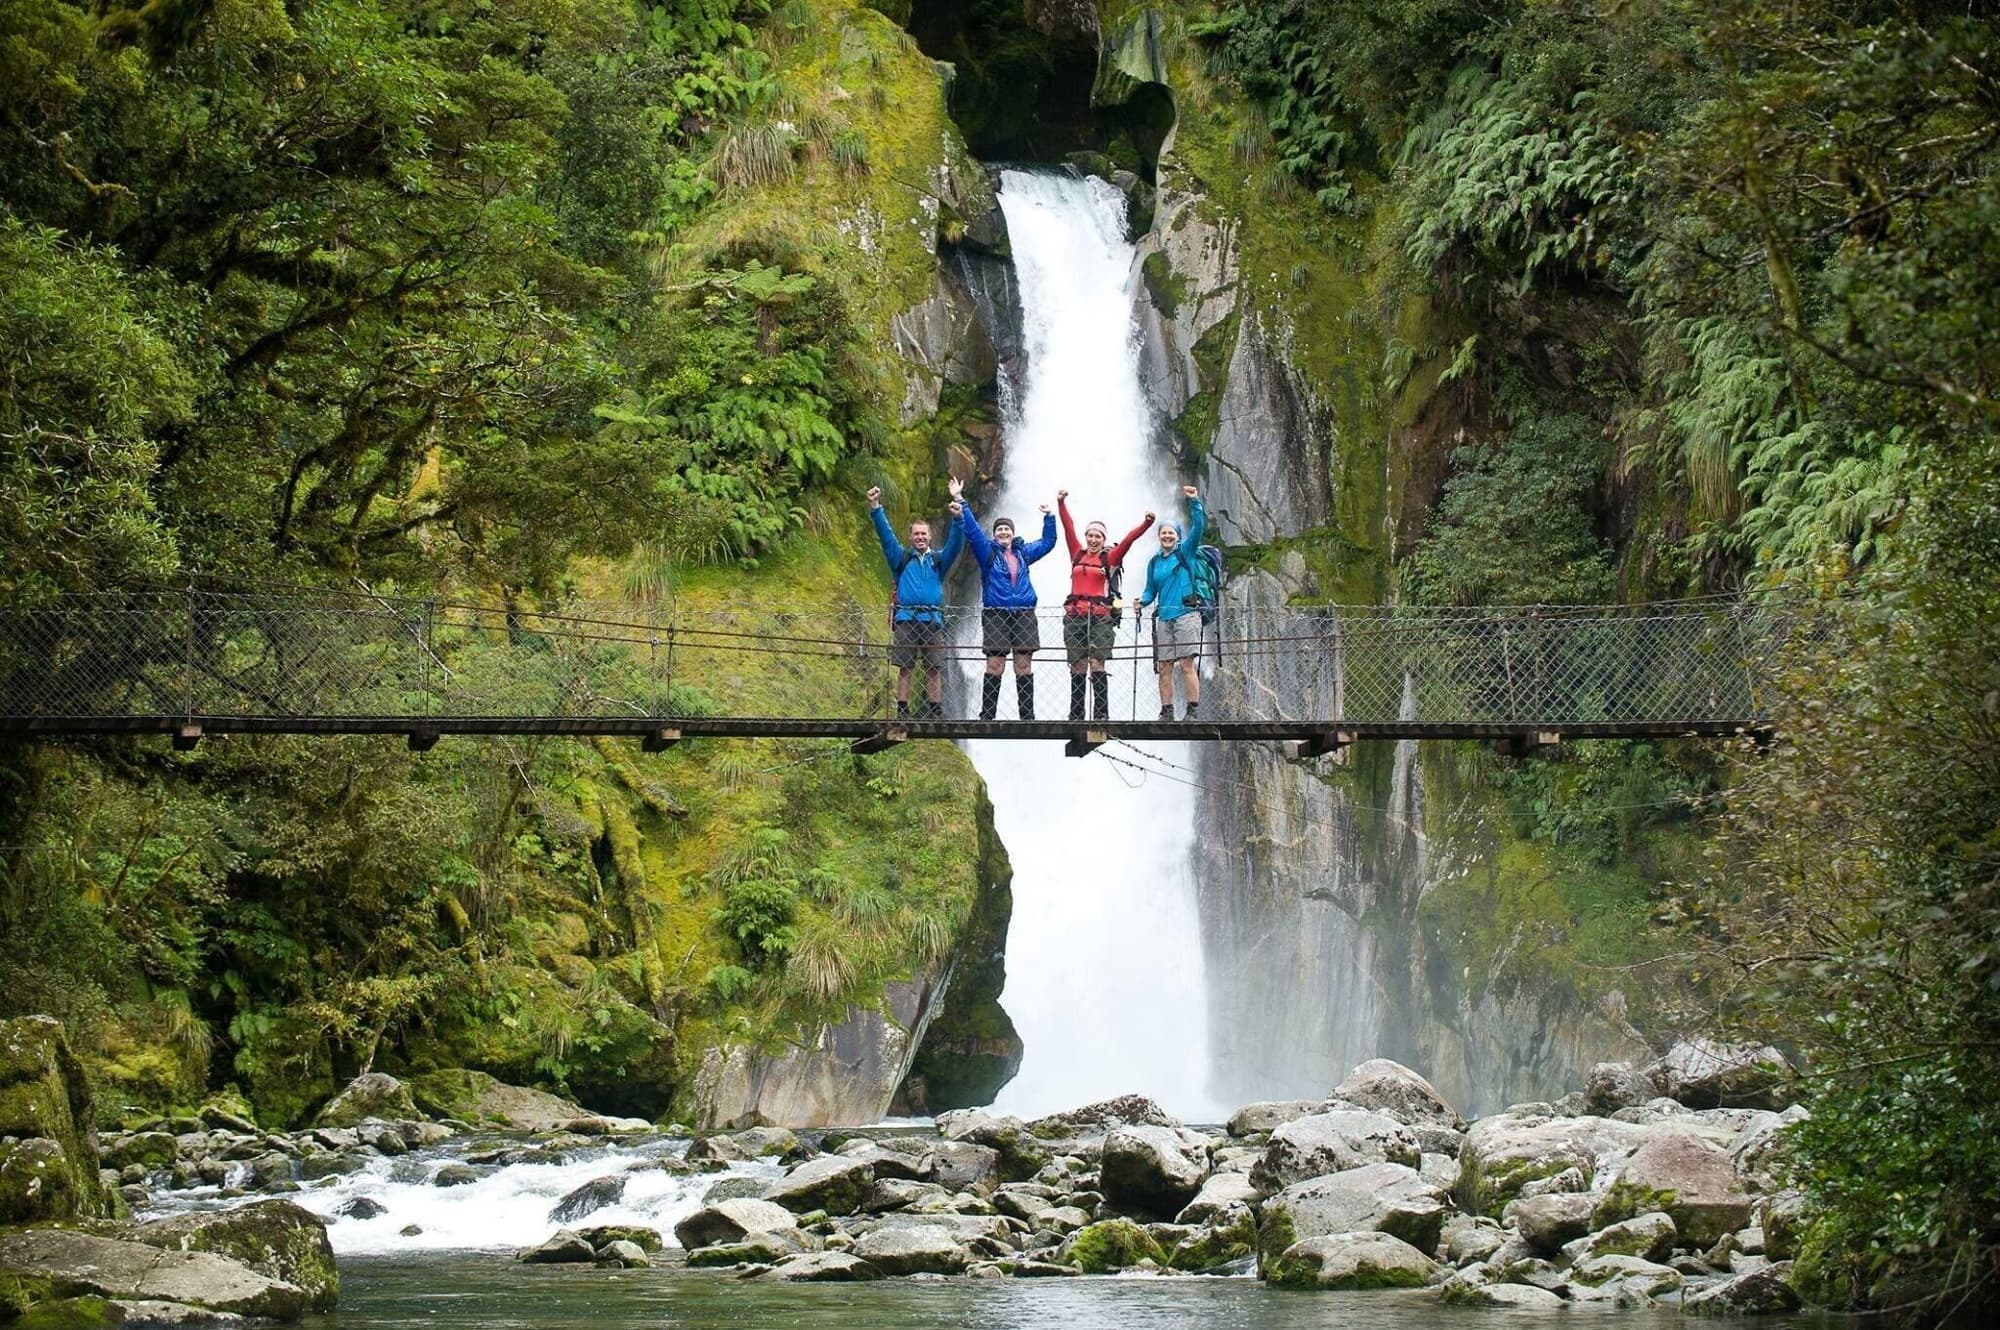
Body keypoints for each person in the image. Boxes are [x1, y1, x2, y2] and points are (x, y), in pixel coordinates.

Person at [955, 476, 1058, 721]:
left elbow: (1048, 542)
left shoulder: (1024, 553)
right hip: (996, 615)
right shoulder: (987, 552)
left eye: (1007, 529)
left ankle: (1027, 716)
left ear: (1013, 533)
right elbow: (972, 531)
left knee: (1023, 665)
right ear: (995, 534)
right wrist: (961, 500)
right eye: (999, 529)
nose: (1003, 532)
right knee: (995, 664)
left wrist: (1049, 517)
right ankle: (987, 715)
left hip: (1023, 613)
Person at [869, 484, 964, 720]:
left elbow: (955, 544)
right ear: (910, 537)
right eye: (916, 534)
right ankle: (903, 710)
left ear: (930, 536)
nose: (920, 537)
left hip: (932, 620)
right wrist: (875, 507)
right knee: (905, 667)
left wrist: (959, 518)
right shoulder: (901, 558)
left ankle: (935, 711)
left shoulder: (938, 560)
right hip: (906, 619)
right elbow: (886, 536)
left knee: (934, 667)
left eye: (924, 533)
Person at [1057, 490, 1153, 722]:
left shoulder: (1108, 559)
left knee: (1097, 662)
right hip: (1075, 615)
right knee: (1077, 664)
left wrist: (1147, 523)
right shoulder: (1076, 553)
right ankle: (1077, 713)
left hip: (1100, 616)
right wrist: (1061, 502)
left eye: (1097, 536)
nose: (1092, 539)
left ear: (1103, 539)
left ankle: (1101, 713)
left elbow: (1129, 540)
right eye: (1090, 535)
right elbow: (1067, 526)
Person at [1136, 484, 1208, 721]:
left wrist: (1194, 501)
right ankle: (1166, 711)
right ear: (1159, 536)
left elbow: (1198, 528)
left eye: (1171, 533)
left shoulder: (1185, 552)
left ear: (1178, 536)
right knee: (1165, 666)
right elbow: (1150, 590)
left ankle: (1193, 710)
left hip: (1187, 614)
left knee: (1187, 664)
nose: (1167, 536)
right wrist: (1142, 602)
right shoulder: (1154, 562)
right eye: (1163, 533)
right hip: (1164, 618)